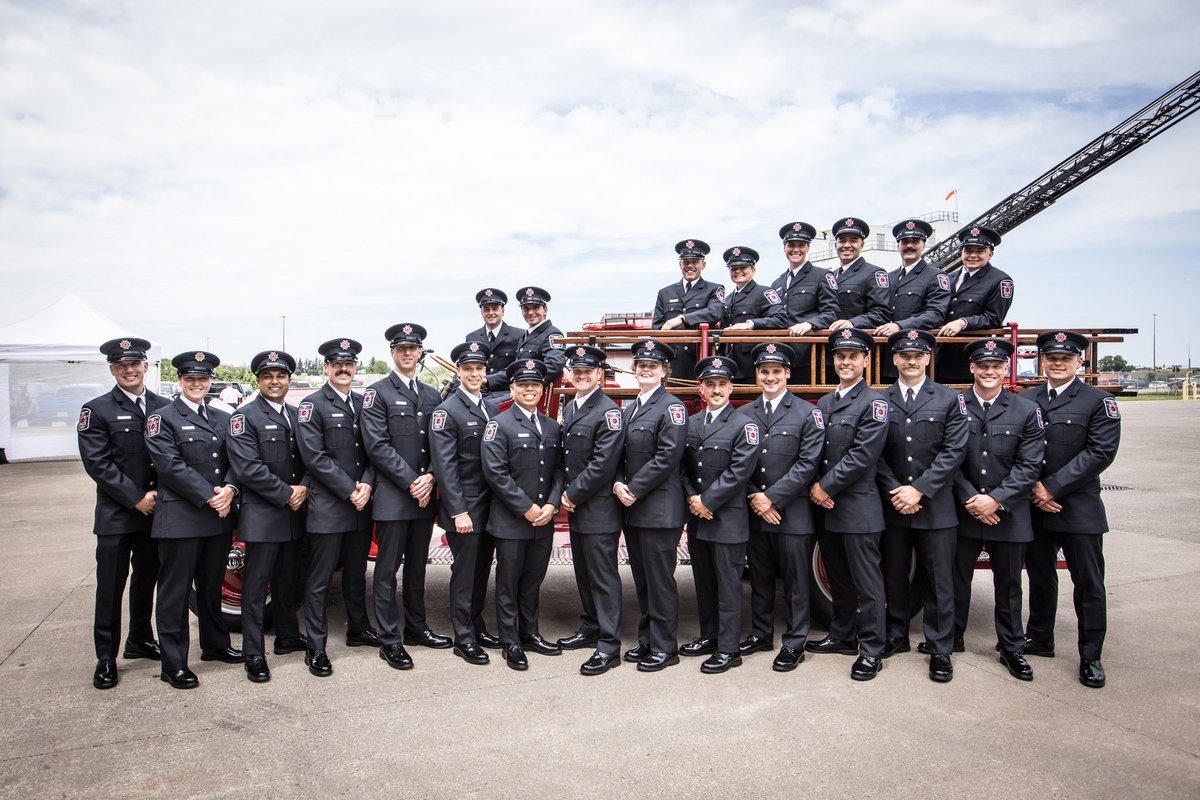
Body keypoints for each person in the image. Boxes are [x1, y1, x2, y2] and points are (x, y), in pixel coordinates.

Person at [1025, 330, 1121, 689]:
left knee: (1089, 583)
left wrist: (1051, 486)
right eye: (1051, 358)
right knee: (1040, 575)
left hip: (1077, 506)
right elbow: (1018, 446)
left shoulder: (1099, 401)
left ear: (1079, 362)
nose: (1058, 364)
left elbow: (1100, 453)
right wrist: (1035, 488)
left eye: (1065, 359)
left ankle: (1091, 655)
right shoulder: (1027, 398)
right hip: (1035, 503)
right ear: (1042, 361)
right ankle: (1039, 637)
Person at [874, 329, 968, 683]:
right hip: (895, 504)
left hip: (935, 506)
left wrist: (920, 491)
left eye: (918, 355)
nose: (911, 361)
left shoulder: (948, 399)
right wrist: (897, 490)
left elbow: (954, 451)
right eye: (904, 355)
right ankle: (896, 635)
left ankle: (940, 648)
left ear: (928, 358)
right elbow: (875, 453)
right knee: (895, 576)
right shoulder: (881, 400)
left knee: (939, 580)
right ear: (894, 359)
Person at [144, 351, 242, 689]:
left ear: (211, 381)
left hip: (217, 518)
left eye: (202, 379)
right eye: (190, 379)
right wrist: (211, 496)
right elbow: (169, 466)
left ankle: (215, 645)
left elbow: (234, 458)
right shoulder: (163, 417)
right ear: (181, 381)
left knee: (211, 587)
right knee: (175, 593)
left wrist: (230, 487)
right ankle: (173, 663)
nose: (197, 384)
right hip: (182, 518)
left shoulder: (221, 416)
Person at [77, 337, 170, 690]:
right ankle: (105, 657)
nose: (129, 370)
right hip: (118, 515)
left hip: (156, 513)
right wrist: (136, 498)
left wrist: (159, 496)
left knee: (147, 580)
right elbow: (97, 464)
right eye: (121, 366)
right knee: (111, 587)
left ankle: (140, 639)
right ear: (113, 370)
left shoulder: (164, 406)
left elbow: (169, 460)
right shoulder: (96, 410)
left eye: (135, 365)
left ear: (146, 366)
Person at [950, 337, 1045, 682]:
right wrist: (971, 499)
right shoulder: (955, 405)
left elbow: (1030, 465)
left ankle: (1011, 647)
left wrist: (996, 499)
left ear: (1006, 370)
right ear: (972, 368)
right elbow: (948, 458)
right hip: (965, 507)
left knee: (1009, 583)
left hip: (1009, 511)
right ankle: (951, 638)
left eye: (997, 366)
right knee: (956, 579)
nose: (990, 371)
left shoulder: (1025, 410)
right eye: (983, 366)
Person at [359, 323, 452, 672]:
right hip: (394, 497)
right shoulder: (377, 392)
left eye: (413, 348)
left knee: (417, 569)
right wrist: (414, 480)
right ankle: (389, 639)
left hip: (423, 496)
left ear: (420, 352)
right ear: (393, 353)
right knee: (386, 571)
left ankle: (416, 628)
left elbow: (441, 443)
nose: (408, 353)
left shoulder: (432, 395)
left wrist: (430, 476)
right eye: (402, 349)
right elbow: (377, 446)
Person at [805, 329, 889, 681]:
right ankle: (841, 634)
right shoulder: (825, 402)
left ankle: (871, 649)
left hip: (857, 506)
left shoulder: (875, 403)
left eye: (853, 356)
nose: (846, 362)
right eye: (840, 356)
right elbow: (814, 451)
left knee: (867, 583)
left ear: (866, 361)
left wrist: (824, 486)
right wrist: (813, 484)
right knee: (838, 577)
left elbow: (862, 456)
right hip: (827, 507)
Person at [294, 338, 378, 678]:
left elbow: (374, 450)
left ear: (355, 367)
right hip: (329, 504)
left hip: (361, 503)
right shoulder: (311, 405)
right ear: (326, 368)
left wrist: (368, 484)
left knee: (357, 573)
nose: (343, 368)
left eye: (349, 363)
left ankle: (358, 628)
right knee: (319, 578)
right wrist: (349, 490)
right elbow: (313, 457)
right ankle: (316, 646)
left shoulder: (365, 403)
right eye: (336, 363)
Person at [739, 342, 825, 672]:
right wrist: (756, 499)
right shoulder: (745, 414)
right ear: (757, 374)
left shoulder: (808, 412)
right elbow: (738, 464)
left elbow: (808, 464)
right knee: (759, 577)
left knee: (796, 581)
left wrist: (771, 498)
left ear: (787, 374)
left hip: (791, 512)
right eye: (765, 371)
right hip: (756, 510)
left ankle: (795, 641)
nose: (770, 377)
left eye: (776, 371)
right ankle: (761, 633)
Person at [225, 349, 309, 683]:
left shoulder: (296, 414)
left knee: (289, 581)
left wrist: (302, 487)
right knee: (257, 587)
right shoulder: (244, 417)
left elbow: (310, 458)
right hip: (264, 514)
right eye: (268, 376)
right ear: (258, 381)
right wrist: (288, 493)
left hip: (294, 514)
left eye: (281, 376)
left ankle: (287, 636)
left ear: (289, 379)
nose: (275, 382)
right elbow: (248, 468)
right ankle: (253, 652)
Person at [481, 359, 565, 670]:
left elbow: (558, 471)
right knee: (508, 582)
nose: (529, 390)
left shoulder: (554, 426)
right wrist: (526, 508)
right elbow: (495, 473)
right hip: (511, 521)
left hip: (543, 519)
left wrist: (551, 505)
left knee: (533, 580)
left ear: (542, 391)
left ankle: (530, 633)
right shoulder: (498, 425)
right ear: (512, 389)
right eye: (523, 385)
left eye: (535, 386)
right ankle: (510, 641)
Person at [614, 338, 688, 672]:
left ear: (664, 372)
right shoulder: (631, 408)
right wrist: (618, 482)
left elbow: (668, 457)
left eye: (653, 366)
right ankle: (647, 639)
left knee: (660, 581)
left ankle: (665, 646)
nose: (646, 370)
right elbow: (619, 454)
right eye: (641, 365)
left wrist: (634, 487)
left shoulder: (672, 407)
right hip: (634, 508)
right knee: (642, 580)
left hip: (659, 509)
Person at [682, 356, 760, 674]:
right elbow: (683, 467)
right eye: (710, 384)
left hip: (726, 516)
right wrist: (692, 497)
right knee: (704, 580)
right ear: (701, 388)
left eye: (721, 385)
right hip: (698, 516)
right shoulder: (692, 423)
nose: (716, 390)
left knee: (728, 584)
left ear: (731, 388)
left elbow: (740, 471)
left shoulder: (744, 425)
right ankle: (709, 636)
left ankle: (729, 649)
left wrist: (707, 501)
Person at [430, 341, 503, 665]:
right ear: (457, 372)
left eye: (479, 369)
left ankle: (477, 625)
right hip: (466, 509)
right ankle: (464, 637)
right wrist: (459, 511)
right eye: (468, 369)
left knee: (480, 570)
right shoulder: (447, 411)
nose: (474, 374)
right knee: (464, 573)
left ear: (485, 373)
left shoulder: (488, 405)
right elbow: (445, 468)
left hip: (489, 507)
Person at [558, 345, 627, 676]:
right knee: (583, 573)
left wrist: (571, 493)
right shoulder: (572, 407)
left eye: (588, 372)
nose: (582, 376)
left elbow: (603, 463)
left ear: (599, 374)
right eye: (577, 372)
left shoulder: (608, 410)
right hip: (578, 507)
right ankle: (590, 627)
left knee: (603, 577)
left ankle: (609, 644)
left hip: (598, 508)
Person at [873, 219, 950, 381]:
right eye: (904, 242)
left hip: (915, 354)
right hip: (887, 355)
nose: (909, 246)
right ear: (898, 246)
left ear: (923, 245)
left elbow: (935, 314)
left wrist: (900, 326)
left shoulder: (936, 276)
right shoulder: (889, 277)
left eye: (915, 241)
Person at [935, 226, 1014, 383]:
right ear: (961, 253)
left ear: (990, 254)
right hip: (939, 355)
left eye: (979, 251)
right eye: (968, 250)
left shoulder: (1000, 281)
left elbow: (993, 318)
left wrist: (964, 322)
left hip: (969, 356)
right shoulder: (947, 278)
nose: (973, 255)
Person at [773, 221, 840, 381]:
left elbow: (832, 312)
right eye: (791, 245)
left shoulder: (822, 276)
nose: (796, 249)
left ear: (808, 247)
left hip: (810, 357)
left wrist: (809, 324)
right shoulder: (777, 283)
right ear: (784, 248)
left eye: (801, 245)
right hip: (782, 355)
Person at [653, 239, 726, 381]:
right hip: (671, 363)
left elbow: (715, 313)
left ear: (703, 264)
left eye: (695, 262)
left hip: (699, 361)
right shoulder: (665, 293)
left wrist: (682, 318)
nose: (690, 266)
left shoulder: (714, 289)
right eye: (686, 262)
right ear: (680, 264)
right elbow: (657, 328)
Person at [720, 246, 787, 382]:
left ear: (753, 269)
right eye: (733, 269)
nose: (738, 271)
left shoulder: (764, 293)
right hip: (730, 363)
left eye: (743, 267)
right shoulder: (727, 299)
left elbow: (780, 319)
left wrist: (749, 324)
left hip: (752, 364)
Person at [826, 217, 892, 333]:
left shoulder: (875, 273)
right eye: (842, 241)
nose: (847, 245)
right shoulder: (830, 276)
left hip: (857, 342)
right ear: (835, 245)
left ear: (862, 244)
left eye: (853, 240)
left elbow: (881, 314)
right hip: (829, 341)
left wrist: (853, 323)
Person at [466, 288, 521, 397]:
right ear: (482, 312)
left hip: (506, 393)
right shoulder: (472, 337)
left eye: (495, 309)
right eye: (486, 309)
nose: (491, 313)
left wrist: (488, 380)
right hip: (476, 392)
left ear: (503, 311)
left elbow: (517, 367)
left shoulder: (519, 335)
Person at [512, 286, 567, 386]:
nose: (530, 312)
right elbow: (516, 367)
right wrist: (488, 380)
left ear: (545, 310)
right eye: (526, 308)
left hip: (532, 391)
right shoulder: (526, 335)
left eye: (536, 307)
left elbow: (553, 366)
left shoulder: (553, 334)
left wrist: (525, 383)